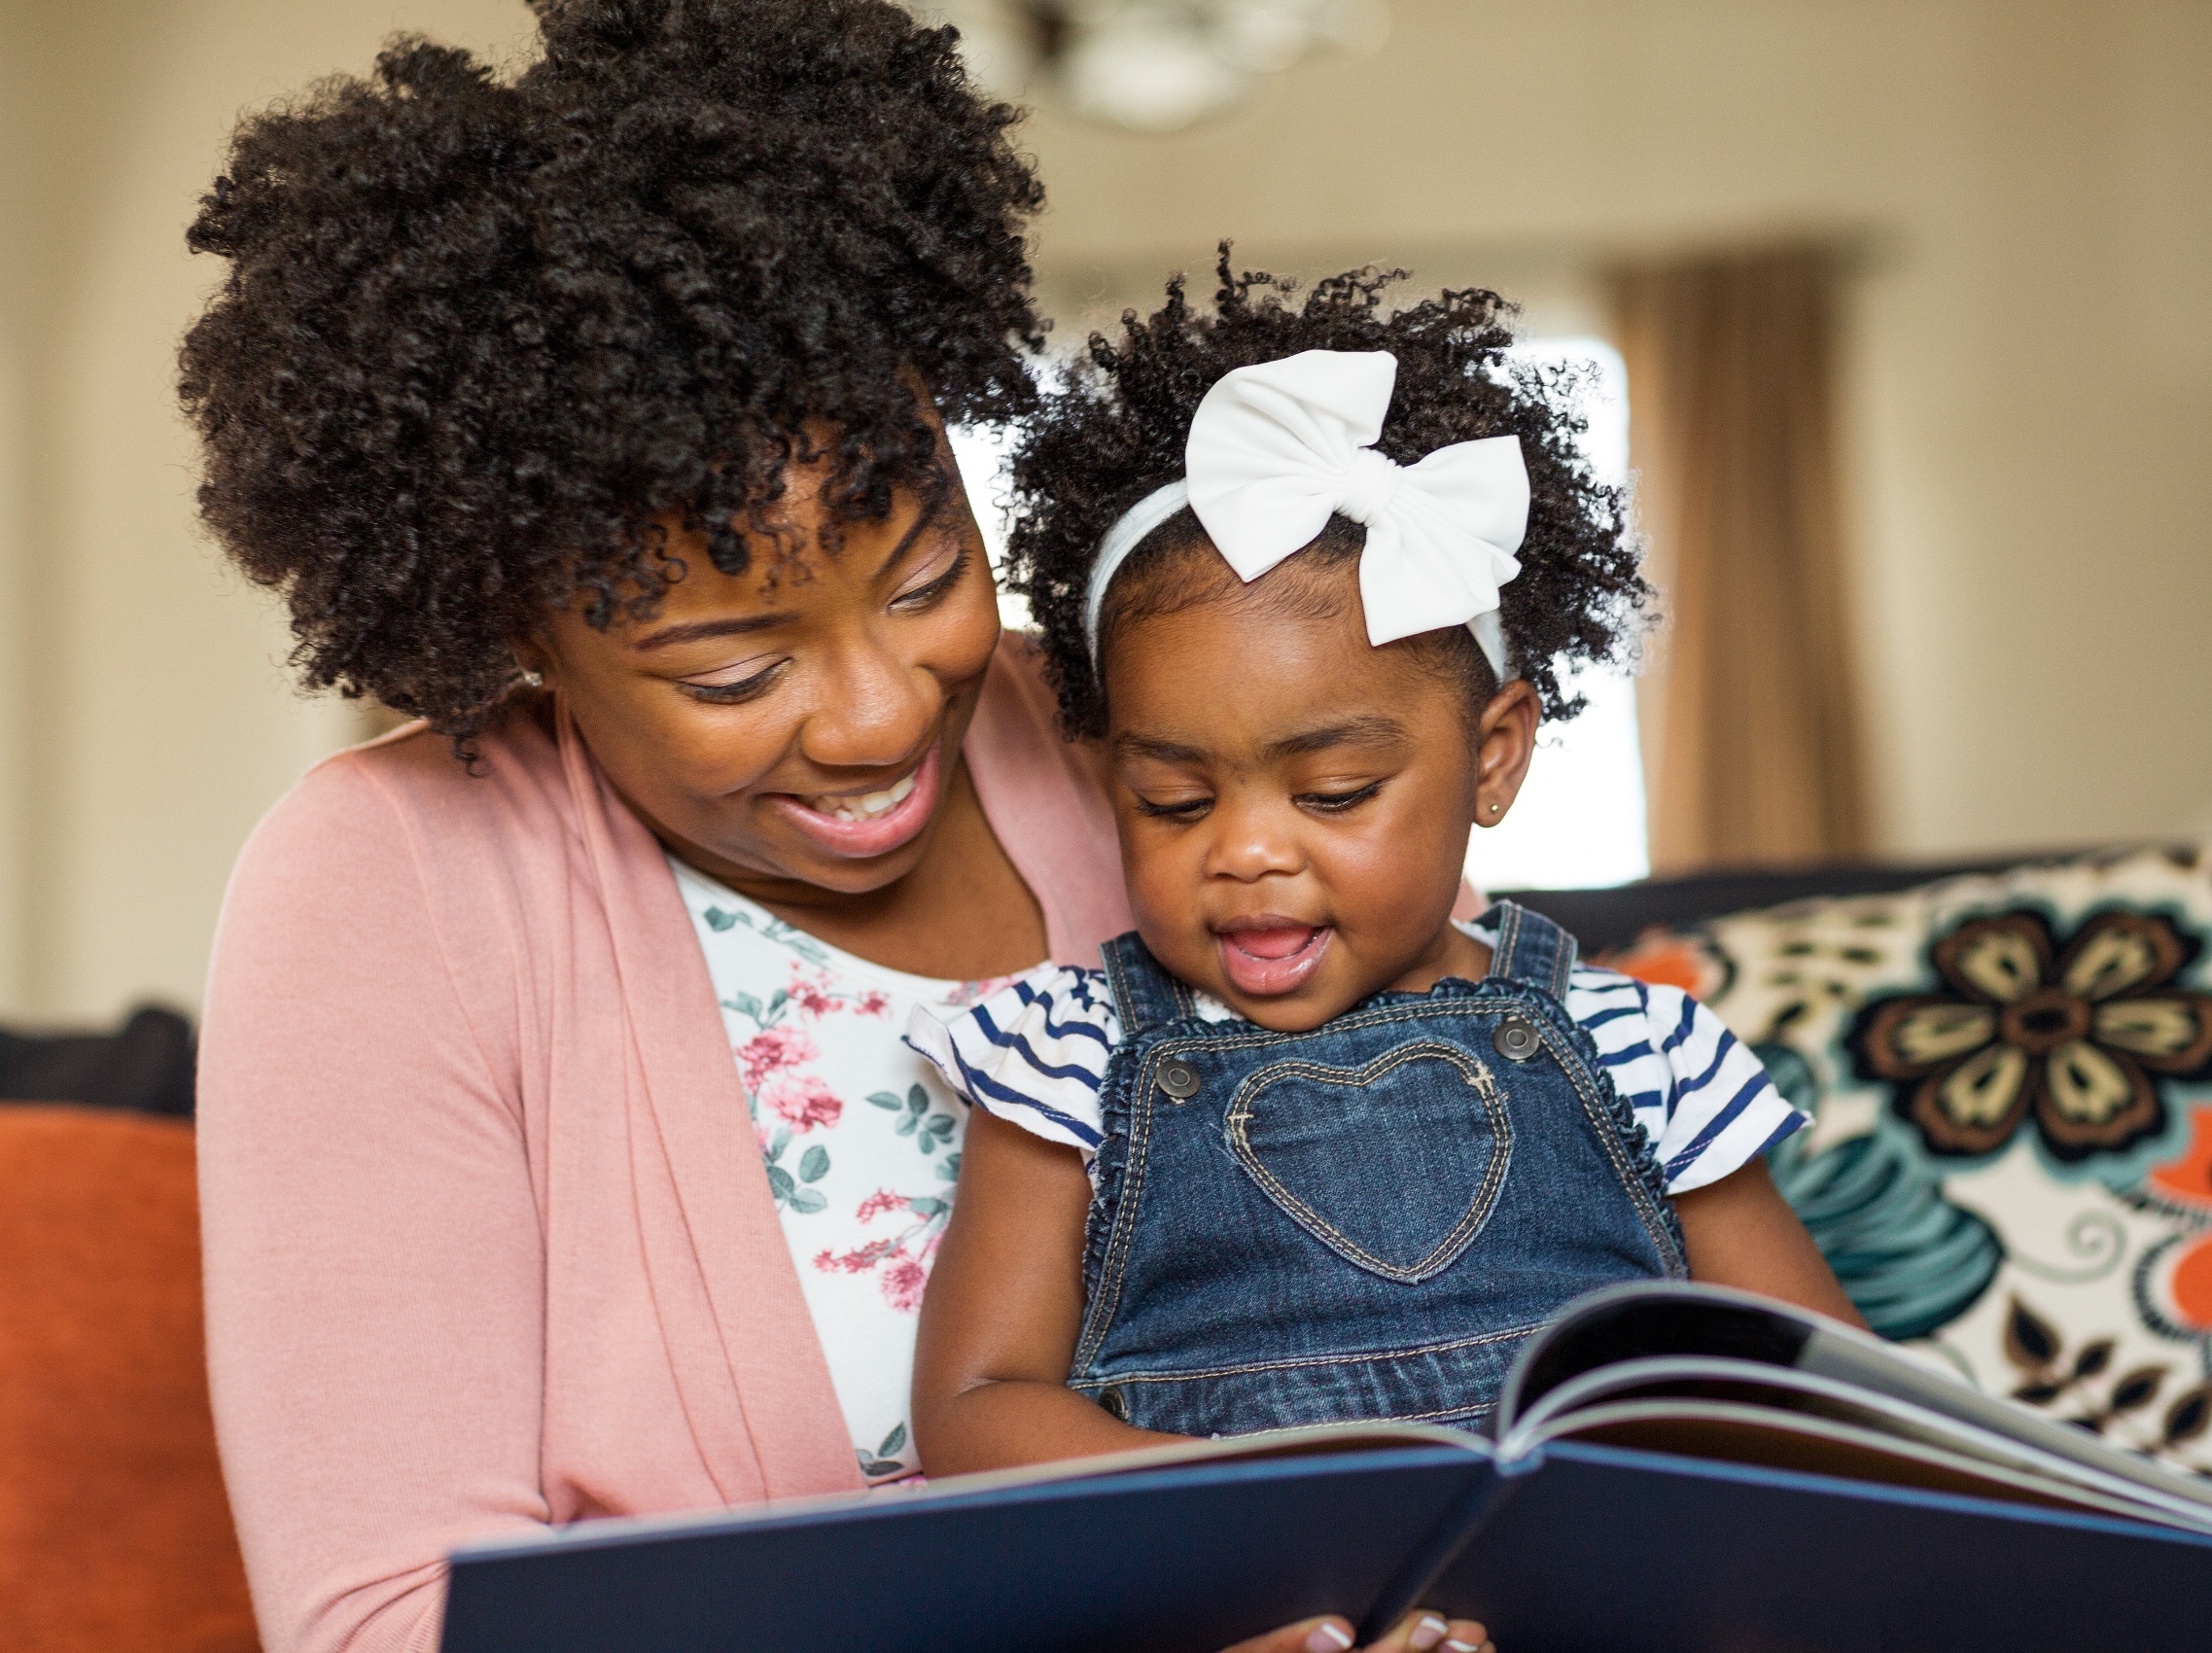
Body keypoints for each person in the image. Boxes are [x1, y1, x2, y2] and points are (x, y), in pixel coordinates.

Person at [182, 7, 1483, 1652]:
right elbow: (382, 1621)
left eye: (926, 575)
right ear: (517, 622)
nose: (879, 715)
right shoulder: (388, 884)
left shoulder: (1143, 748)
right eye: (732, 669)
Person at [909, 262, 1863, 1472]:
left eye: (1335, 793)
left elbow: (1823, 1398)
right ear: (1105, 779)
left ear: (1493, 758)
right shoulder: (1068, 1052)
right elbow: (976, 1406)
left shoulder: (1643, 1046)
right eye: (1175, 799)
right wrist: (1253, 1513)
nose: (1248, 848)